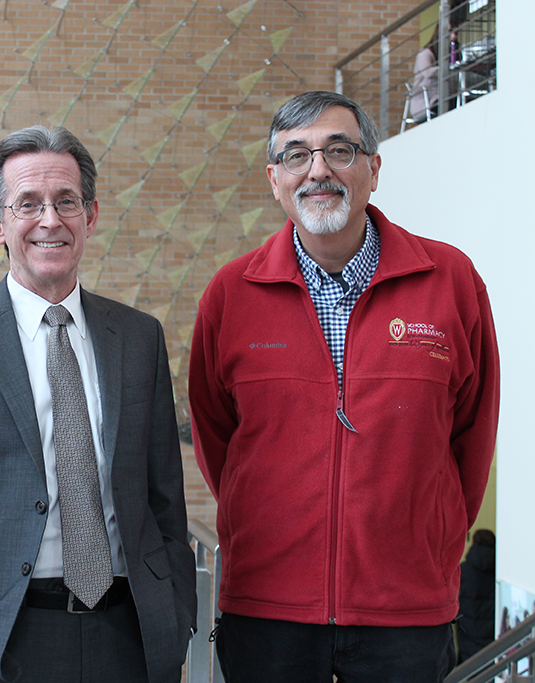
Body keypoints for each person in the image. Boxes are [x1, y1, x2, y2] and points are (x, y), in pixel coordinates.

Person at [188, 91, 499, 682]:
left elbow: (472, 433)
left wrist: (428, 539)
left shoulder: (451, 282)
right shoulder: (230, 295)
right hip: (268, 608)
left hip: (405, 610)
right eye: (298, 155)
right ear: (276, 180)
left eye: (339, 150)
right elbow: (217, 438)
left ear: (373, 170)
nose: (319, 170)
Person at [0, 125, 197, 683]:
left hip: (132, 637)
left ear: (90, 216)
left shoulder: (139, 337)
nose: (50, 220)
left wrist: (177, 618)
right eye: (27, 203)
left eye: (66, 202)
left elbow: (163, 498)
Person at [457, 529, 496, 662]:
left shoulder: (464, 569)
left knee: (470, 666)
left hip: (468, 627)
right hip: (491, 627)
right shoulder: (499, 570)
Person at [410, 31, 439, 121]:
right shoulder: (425, 53)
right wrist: (444, 68)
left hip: (438, 98)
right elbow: (427, 72)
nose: (453, 36)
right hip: (425, 102)